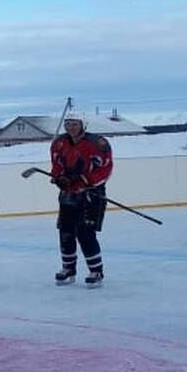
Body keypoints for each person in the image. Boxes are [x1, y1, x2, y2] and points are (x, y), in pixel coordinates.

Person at [49, 112, 113, 287]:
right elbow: (56, 166)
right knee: (66, 232)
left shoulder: (97, 143)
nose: (71, 127)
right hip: (68, 194)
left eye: (75, 123)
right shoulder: (59, 143)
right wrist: (59, 178)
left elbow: (105, 169)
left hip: (91, 194)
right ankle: (68, 269)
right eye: (68, 123)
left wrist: (85, 181)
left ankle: (96, 271)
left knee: (85, 233)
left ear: (83, 125)